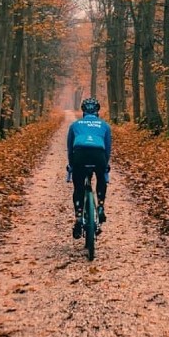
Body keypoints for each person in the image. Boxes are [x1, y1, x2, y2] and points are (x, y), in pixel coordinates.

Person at [66, 97, 112, 239]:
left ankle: (79, 217)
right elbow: (108, 147)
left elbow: (69, 147)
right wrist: (105, 165)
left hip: (80, 155)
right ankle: (100, 206)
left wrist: (72, 165)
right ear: (97, 110)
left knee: (78, 187)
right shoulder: (104, 125)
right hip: (98, 155)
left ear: (83, 111)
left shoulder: (75, 125)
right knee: (100, 178)